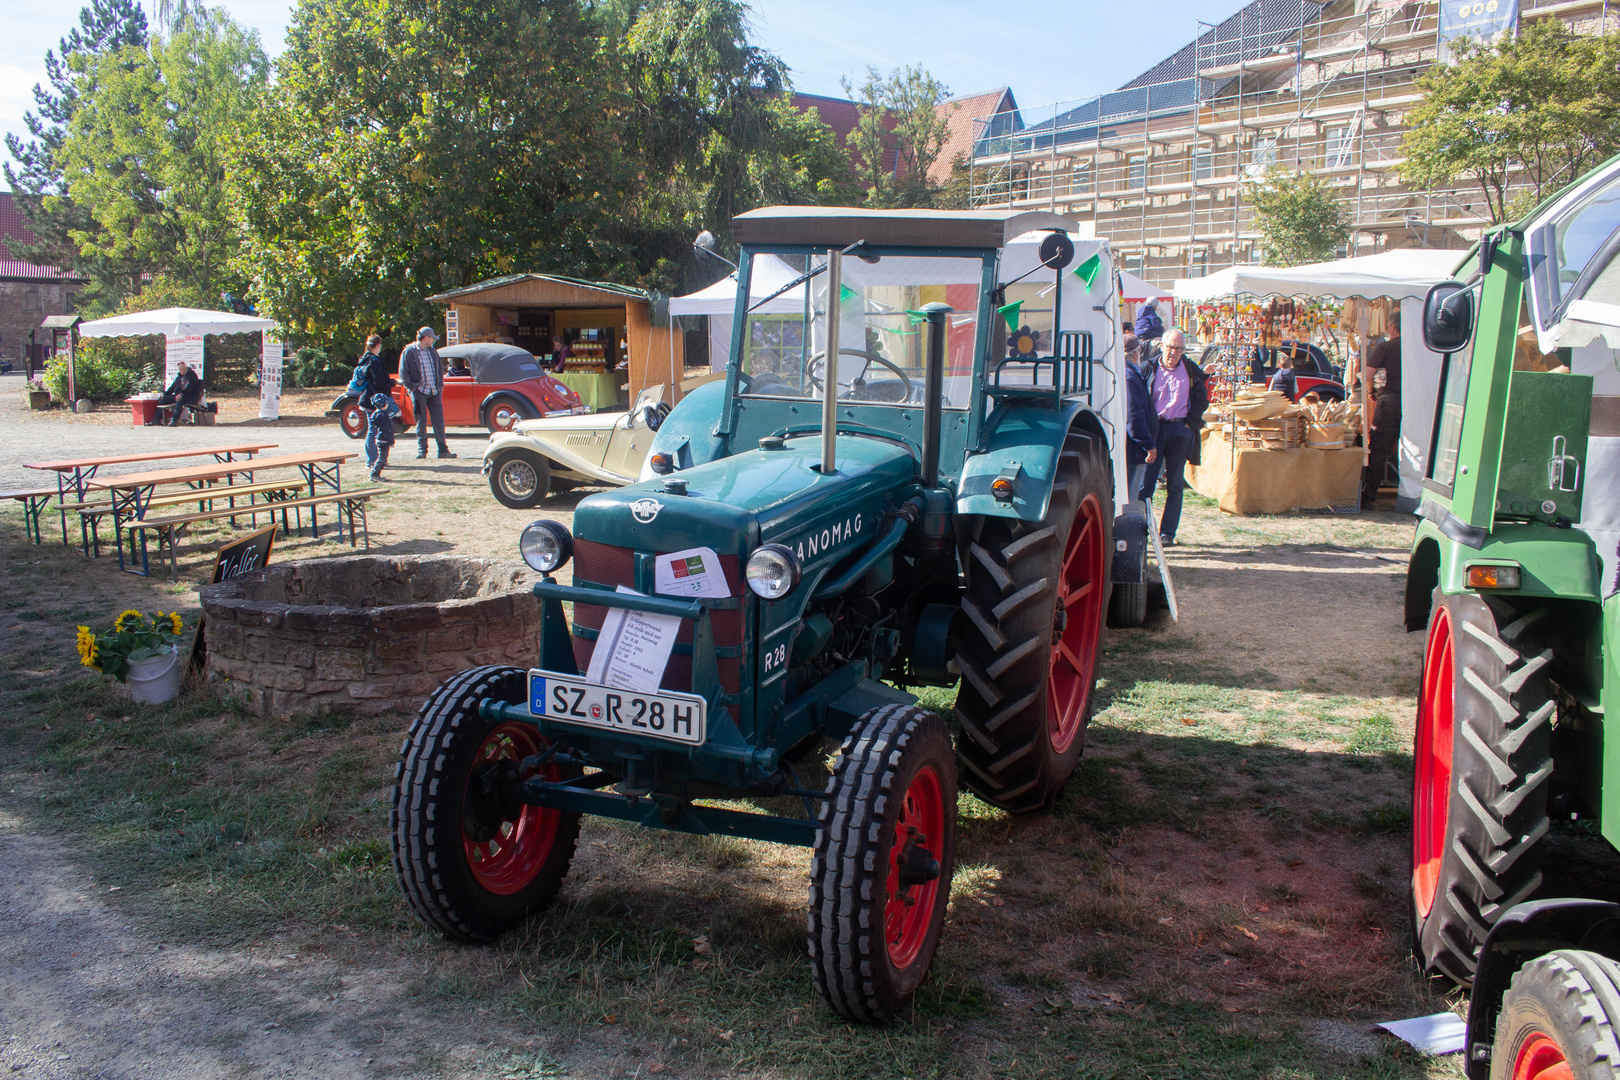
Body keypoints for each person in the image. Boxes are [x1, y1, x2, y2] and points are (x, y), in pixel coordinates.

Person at [1137, 328, 1210, 545]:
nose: (1174, 353)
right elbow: (1139, 399)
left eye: (1179, 349)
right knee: (1146, 484)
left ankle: (1167, 533)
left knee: (1175, 484)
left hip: (1180, 429)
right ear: (1162, 346)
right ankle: (1142, 531)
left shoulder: (1191, 369)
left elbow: (1201, 400)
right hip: (1155, 430)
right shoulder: (1148, 367)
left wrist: (1189, 424)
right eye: (1170, 348)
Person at [1362, 310, 1402, 504]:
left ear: (1392, 327)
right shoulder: (1416, 348)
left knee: (1378, 448)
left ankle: (1369, 495)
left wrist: (1370, 393)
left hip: (1389, 401)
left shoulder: (1385, 347)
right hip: (1413, 402)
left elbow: (1367, 376)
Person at [399, 326, 455, 459]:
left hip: (434, 390)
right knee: (421, 420)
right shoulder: (409, 351)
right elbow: (403, 372)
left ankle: (443, 449)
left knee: (439, 420)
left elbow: (439, 369)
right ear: (426, 338)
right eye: (432, 338)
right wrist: (412, 388)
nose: (434, 341)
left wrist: (440, 385)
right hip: (419, 392)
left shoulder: (432, 351)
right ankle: (422, 450)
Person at [1122, 333, 1158, 502]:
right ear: (1135, 354)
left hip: (1134, 447)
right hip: (1134, 449)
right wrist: (1148, 444)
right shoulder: (1129, 376)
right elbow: (1134, 415)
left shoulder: (1130, 373)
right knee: (1130, 497)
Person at [156, 361, 203, 426]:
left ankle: (174, 421)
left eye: (184, 369)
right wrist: (164, 394)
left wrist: (181, 394)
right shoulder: (179, 377)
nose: (183, 371)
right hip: (179, 395)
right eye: (181, 370)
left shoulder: (192, 375)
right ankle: (156, 420)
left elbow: (189, 388)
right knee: (163, 400)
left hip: (191, 395)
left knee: (179, 400)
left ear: (186, 368)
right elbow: (172, 387)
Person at [364, 392, 394, 483]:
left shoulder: (375, 414)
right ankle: (374, 474)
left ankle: (376, 474)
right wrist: (391, 441)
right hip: (384, 440)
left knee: (382, 457)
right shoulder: (384, 415)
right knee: (382, 458)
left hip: (379, 439)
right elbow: (387, 430)